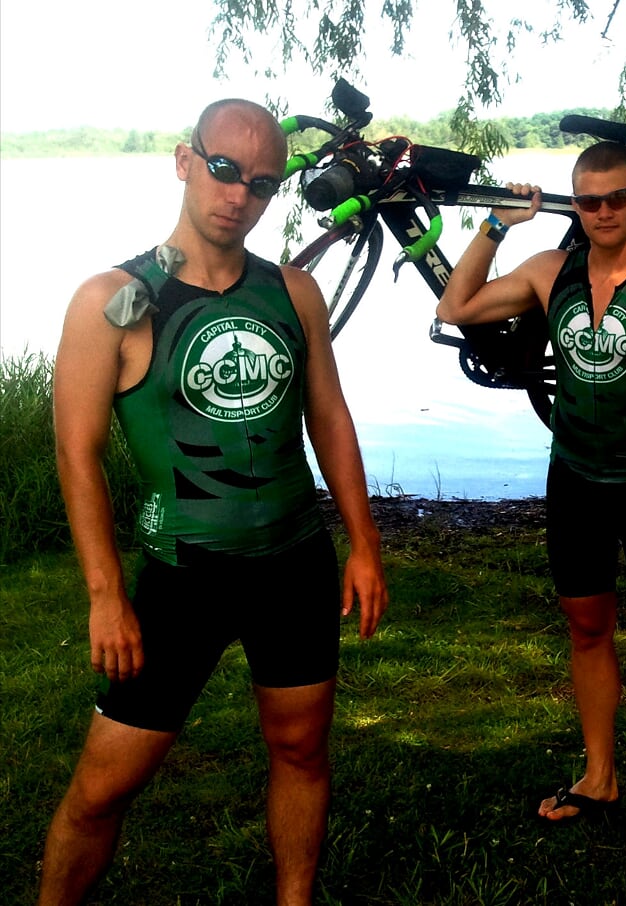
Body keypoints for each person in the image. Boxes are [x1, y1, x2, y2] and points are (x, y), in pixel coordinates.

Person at [38, 98, 388, 906]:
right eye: (224, 169)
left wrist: (364, 544)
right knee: (103, 786)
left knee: (301, 750)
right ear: (183, 160)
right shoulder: (115, 299)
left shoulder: (294, 292)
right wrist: (105, 596)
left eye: (262, 183)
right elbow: (76, 453)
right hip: (180, 573)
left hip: (294, 564)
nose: (239, 195)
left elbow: (329, 418)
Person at [436, 142, 626, 868]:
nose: (603, 212)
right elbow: (456, 307)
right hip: (576, 480)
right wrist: (496, 225)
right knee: (588, 629)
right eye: (589, 201)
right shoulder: (550, 271)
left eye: (617, 197)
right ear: (576, 205)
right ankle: (600, 775)